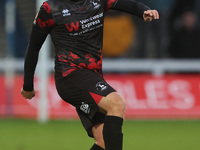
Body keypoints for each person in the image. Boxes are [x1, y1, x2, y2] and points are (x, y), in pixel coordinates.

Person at [21, 0, 159, 149]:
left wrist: (144, 11)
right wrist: (28, 85)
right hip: (69, 76)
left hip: (92, 76)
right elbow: (34, 47)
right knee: (116, 103)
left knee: (103, 142)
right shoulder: (50, 9)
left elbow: (125, 3)